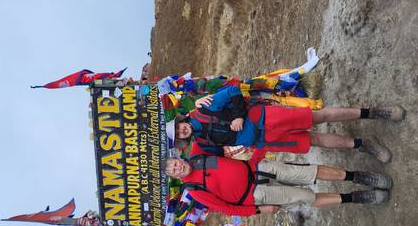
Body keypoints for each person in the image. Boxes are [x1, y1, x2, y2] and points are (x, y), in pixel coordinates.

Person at [165, 85, 406, 163]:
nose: (181, 130)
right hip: (266, 140)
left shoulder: (202, 107)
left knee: (317, 116)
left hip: (264, 117)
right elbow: (209, 162)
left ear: (181, 120)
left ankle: (375, 112)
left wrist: (238, 115)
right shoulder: (201, 143)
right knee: (314, 140)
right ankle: (364, 144)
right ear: (182, 140)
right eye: (178, 135)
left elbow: (232, 91)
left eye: (178, 126)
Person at [164, 152, 392, 216]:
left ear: (179, 158)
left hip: (258, 167)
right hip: (256, 195)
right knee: (304, 197)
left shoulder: (198, 155)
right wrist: (257, 210)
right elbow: (226, 208)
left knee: (308, 172)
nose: (177, 167)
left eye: (175, 163)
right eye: (174, 170)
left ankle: (358, 177)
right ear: (176, 176)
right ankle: (357, 197)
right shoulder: (194, 191)